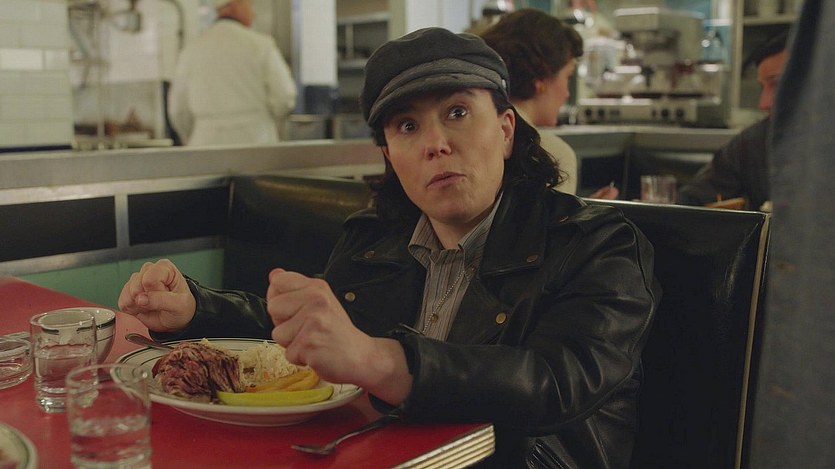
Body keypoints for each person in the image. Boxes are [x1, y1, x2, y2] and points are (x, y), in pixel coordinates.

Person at [119, 28, 660, 467]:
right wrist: (196, 308)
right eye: (407, 125)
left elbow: (554, 382)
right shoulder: (375, 239)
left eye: (457, 112)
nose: (435, 144)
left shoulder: (598, 243)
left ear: (505, 129)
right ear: (388, 155)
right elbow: (312, 339)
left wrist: (377, 360)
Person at [480, 9, 619, 199]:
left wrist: (582, 211)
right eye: (567, 77)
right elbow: (542, 220)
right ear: (541, 80)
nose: (567, 93)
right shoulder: (550, 154)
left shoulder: (472, 136)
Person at [676, 31, 789, 210]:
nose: (764, 103)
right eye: (762, 87)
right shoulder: (753, 143)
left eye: (776, 84)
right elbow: (693, 197)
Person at [167, 0, 297, 146]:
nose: (253, 14)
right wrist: (268, 122)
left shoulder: (191, 51)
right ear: (236, 6)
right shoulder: (261, 45)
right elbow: (284, 97)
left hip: (205, 144)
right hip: (256, 141)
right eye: (250, 6)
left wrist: (193, 134)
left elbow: (178, 110)